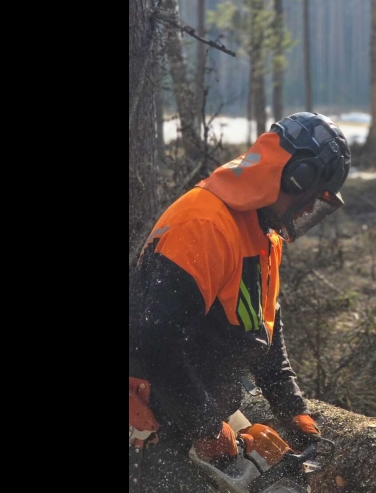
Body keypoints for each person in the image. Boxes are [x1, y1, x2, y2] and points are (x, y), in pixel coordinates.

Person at [129, 112, 351, 492]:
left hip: (198, 406)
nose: (307, 211)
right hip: (151, 416)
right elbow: (156, 342)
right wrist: (207, 429)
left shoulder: (263, 235)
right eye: (309, 199)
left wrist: (294, 412)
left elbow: (263, 337)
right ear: (295, 177)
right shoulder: (204, 225)